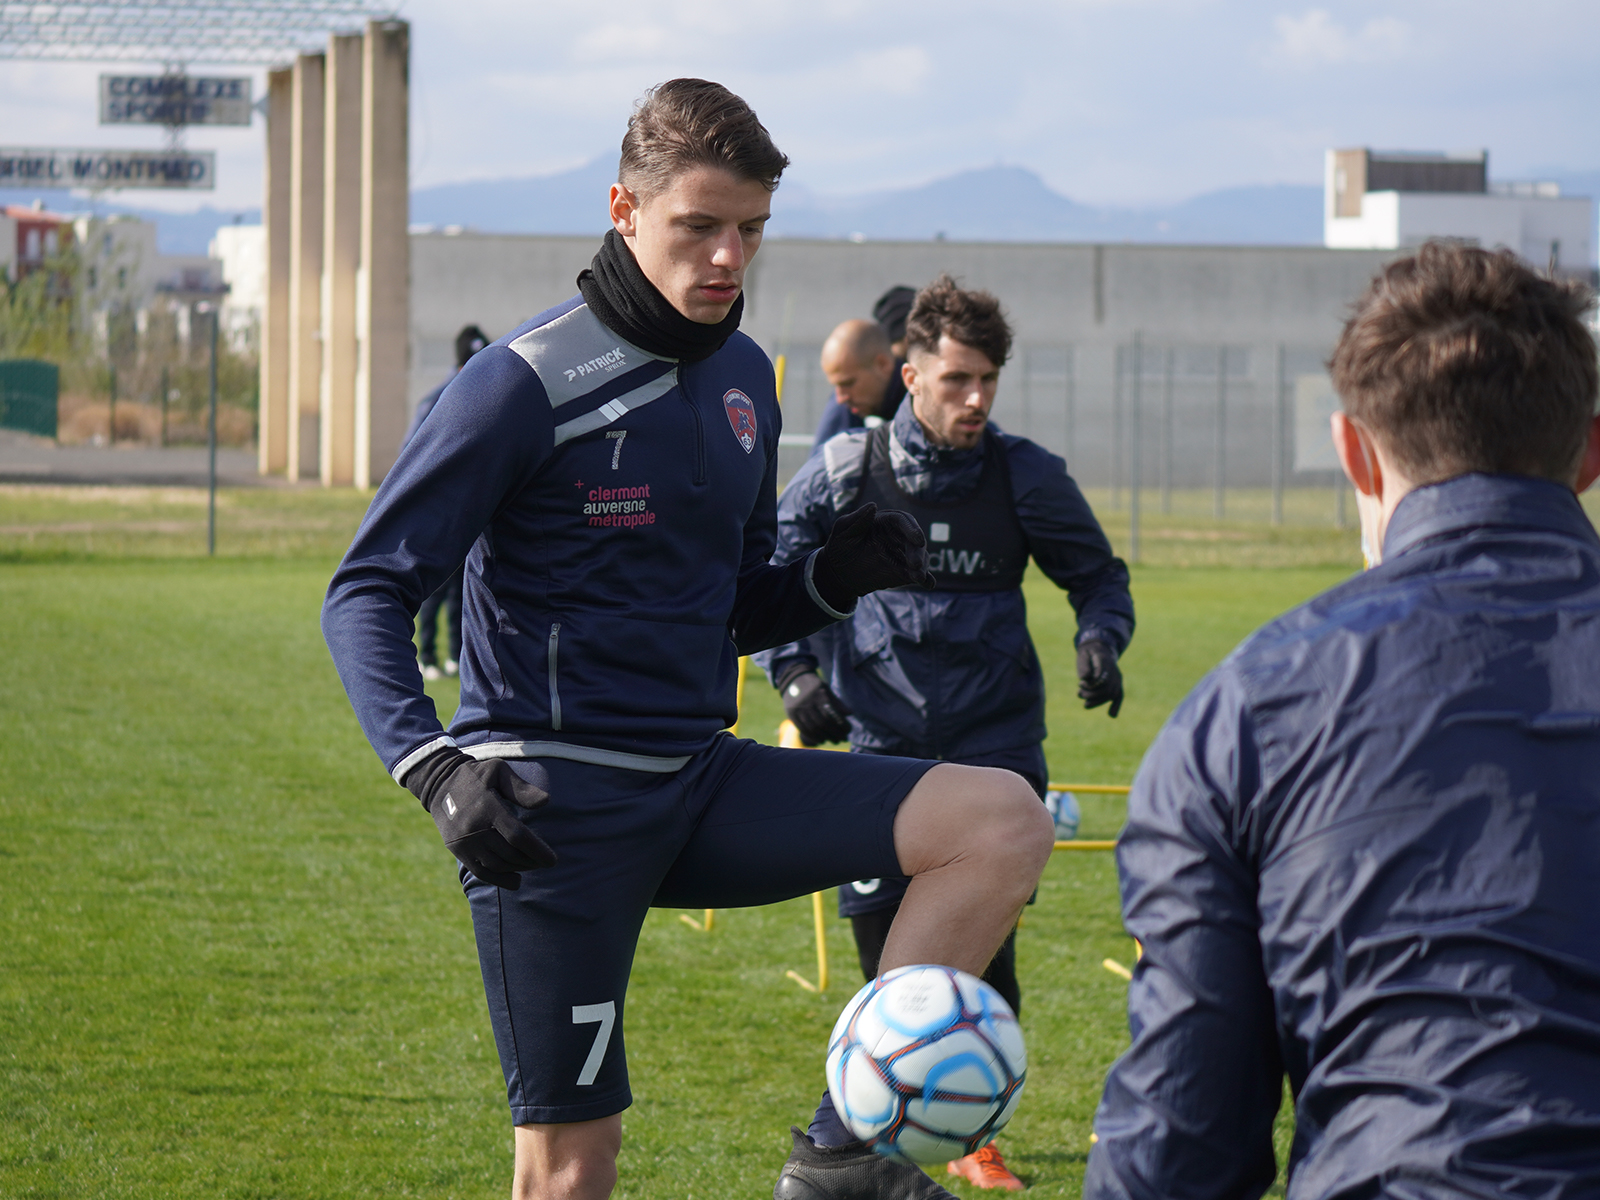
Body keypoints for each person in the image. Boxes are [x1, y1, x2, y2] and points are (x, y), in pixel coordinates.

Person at [321, 79, 1054, 1200]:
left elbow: (733, 607)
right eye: (698, 226)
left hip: (703, 781)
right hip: (551, 811)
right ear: (624, 208)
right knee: (571, 1172)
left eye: (749, 230)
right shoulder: (515, 387)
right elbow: (366, 589)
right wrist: (434, 769)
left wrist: (829, 576)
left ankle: (844, 1156)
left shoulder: (739, 378)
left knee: (998, 820)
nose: (727, 257)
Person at [1084, 240, 1600, 1198]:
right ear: (1592, 450)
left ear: (1354, 450)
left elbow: (1179, 1148)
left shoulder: (1244, 714)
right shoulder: (1247, 713)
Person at [756, 274, 1134, 1191]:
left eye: (988, 382)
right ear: (910, 373)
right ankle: (876, 1155)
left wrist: (1100, 639)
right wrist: (798, 674)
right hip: (879, 756)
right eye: (958, 378)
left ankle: (972, 1137)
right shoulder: (848, 470)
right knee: (884, 969)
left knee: (980, 956)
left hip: (994, 758)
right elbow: (769, 572)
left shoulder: (1024, 474)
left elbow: (1098, 576)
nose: (975, 399)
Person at [406, 323, 490, 680]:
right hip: (440, 513)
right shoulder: (437, 401)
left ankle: (456, 654)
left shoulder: (491, 396)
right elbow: (411, 458)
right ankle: (427, 656)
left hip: (475, 512)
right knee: (436, 589)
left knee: (463, 586)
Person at [809, 317, 907, 457]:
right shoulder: (850, 403)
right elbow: (822, 466)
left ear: (883, 364)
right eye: (836, 386)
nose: (840, 398)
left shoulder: (921, 399)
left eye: (848, 383)